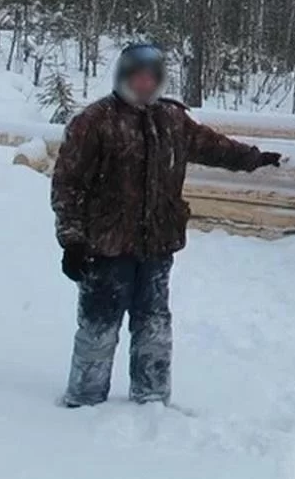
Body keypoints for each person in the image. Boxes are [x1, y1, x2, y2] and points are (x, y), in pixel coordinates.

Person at [51, 43, 282, 407]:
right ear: (123, 77)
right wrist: (73, 241)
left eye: (151, 78)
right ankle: (84, 400)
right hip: (106, 246)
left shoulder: (171, 119)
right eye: (137, 78)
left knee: (154, 326)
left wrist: (256, 159)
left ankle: (152, 399)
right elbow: (68, 184)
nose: (144, 85)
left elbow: (214, 147)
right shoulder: (94, 121)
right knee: (98, 327)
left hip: (157, 243)